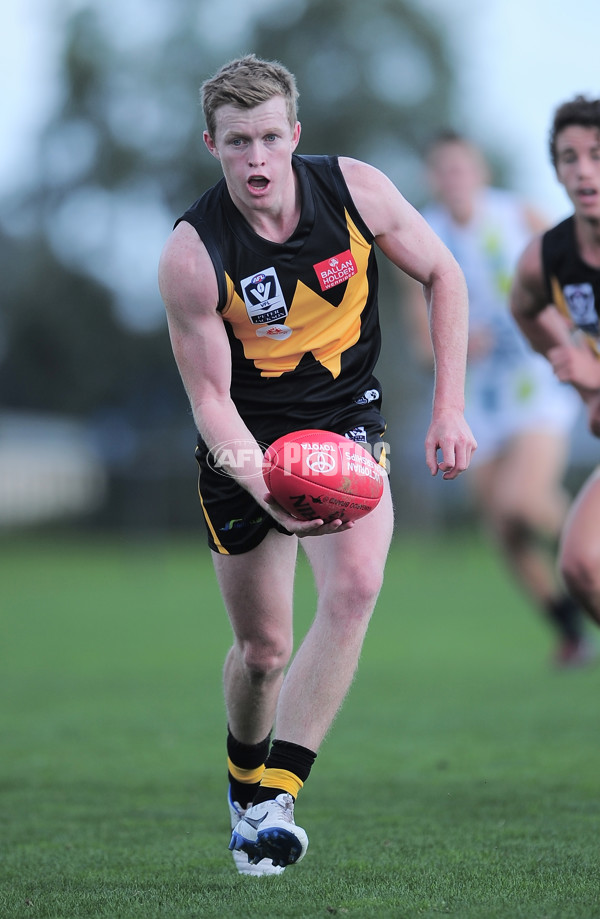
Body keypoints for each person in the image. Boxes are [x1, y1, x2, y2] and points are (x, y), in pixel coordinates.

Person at [158, 54, 476, 876]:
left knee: (357, 584)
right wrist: (267, 484)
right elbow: (208, 400)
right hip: (246, 444)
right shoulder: (193, 254)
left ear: (294, 135)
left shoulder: (355, 191)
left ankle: (274, 802)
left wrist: (448, 406)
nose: (256, 158)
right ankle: (242, 779)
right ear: (212, 145)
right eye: (237, 142)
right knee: (263, 649)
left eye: (269, 137)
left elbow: (445, 273)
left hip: (345, 419)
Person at [406, 131, 589, 668]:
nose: (453, 179)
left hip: (538, 382)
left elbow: (574, 270)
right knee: (504, 529)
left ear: (480, 172)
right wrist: (453, 346)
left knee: (524, 501)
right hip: (474, 401)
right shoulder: (421, 235)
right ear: (432, 179)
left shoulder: (518, 215)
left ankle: (590, 557)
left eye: (462, 168)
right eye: (443, 171)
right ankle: (570, 632)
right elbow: (421, 344)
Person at [511, 95, 600, 630]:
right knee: (581, 565)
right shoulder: (548, 257)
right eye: (570, 157)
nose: (585, 169)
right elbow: (523, 308)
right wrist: (583, 383)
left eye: (597, 153)